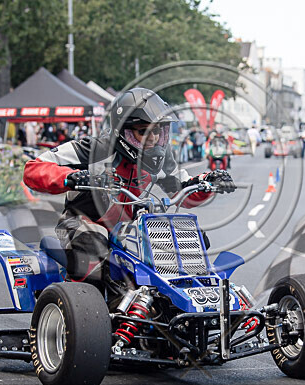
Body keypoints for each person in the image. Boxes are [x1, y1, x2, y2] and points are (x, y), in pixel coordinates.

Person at [23, 87, 235, 284]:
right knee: (93, 245)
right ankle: (80, 306)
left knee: (189, 238)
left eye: (158, 131)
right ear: (123, 131)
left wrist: (208, 181)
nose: (153, 139)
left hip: (131, 226)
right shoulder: (93, 149)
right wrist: (73, 177)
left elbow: (183, 190)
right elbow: (33, 168)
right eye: (144, 131)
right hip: (84, 221)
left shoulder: (158, 159)